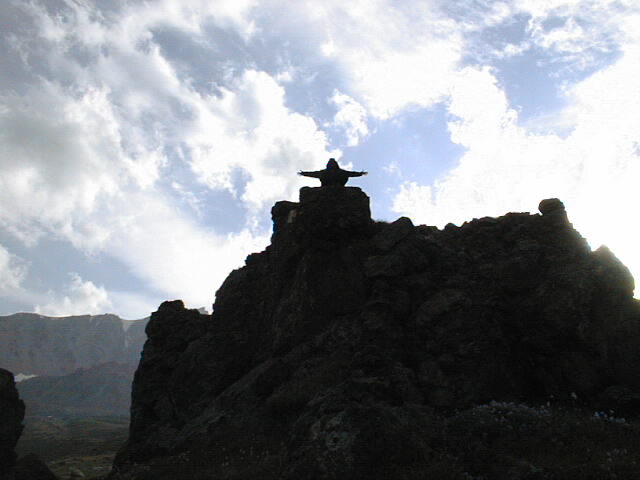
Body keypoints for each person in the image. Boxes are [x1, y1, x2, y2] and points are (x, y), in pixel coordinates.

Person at [298, 158, 367, 186]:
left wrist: (360, 174)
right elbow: (314, 174)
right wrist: (304, 173)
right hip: (327, 186)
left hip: (338, 186)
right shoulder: (324, 172)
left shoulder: (341, 172)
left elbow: (351, 174)